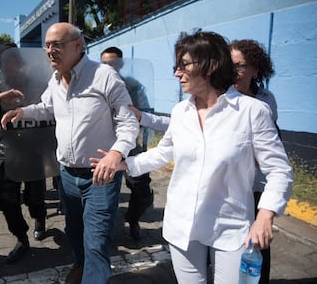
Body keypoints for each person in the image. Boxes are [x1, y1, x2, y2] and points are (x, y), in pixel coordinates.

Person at [90, 31, 293, 284]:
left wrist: (265, 216)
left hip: (230, 228)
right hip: (182, 225)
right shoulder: (181, 112)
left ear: (211, 65)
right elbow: (165, 150)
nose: (177, 73)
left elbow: (279, 170)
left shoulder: (252, 111)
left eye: (183, 65)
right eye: (176, 66)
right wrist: (125, 163)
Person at [0, 22, 139, 284]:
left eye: (57, 45)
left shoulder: (104, 76)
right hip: (66, 175)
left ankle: (92, 273)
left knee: (96, 240)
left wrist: (116, 153)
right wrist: (23, 112)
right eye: (48, 46)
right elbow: (46, 107)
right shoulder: (55, 80)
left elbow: (128, 121)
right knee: (74, 230)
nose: (51, 51)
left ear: (78, 45)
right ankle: (80, 263)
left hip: (100, 174)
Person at [0, 42, 49, 263]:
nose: (10, 65)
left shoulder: (35, 83)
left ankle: (39, 218)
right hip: (6, 151)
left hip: (33, 149)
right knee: (6, 199)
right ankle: (21, 237)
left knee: (35, 196)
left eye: (14, 59)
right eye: (5, 61)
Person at [230, 39, 279, 284]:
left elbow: (271, 145)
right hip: (230, 186)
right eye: (230, 66)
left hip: (256, 186)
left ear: (255, 69)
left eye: (240, 66)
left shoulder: (265, 100)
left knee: (257, 244)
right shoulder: (220, 97)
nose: (234, 72)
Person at [100, 46, 154, 241]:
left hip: (131, 144)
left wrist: (143, 141)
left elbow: (144, 111)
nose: (110, 67)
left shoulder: (133, 85)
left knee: (142, 192)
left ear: (121, 64)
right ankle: (103, 231)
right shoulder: (95, 85)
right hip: (104, 146)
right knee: (103, 192)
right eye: (105, 64)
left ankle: (133, 218)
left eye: (113, 63)